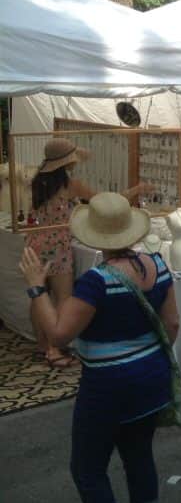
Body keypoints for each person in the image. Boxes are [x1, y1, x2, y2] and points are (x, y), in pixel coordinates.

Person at [19, 192, 178, 503]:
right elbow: (172, 324)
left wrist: (37, 289)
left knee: (87, 467)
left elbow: (58, 333)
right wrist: (146, 360)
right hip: (151, 377)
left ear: (94, 237)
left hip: (108, 386)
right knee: (138, 453)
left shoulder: (97, 282)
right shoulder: (157, 264)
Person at [25, 138, 150, 368]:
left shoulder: (38, 182)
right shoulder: (73, 185)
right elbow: (106, 203)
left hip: (35, 242)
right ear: (67, 163)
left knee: (39, 294)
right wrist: (137, 190)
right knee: (63, 296)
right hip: (58, 245)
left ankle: (43, 345)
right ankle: (55, 349)